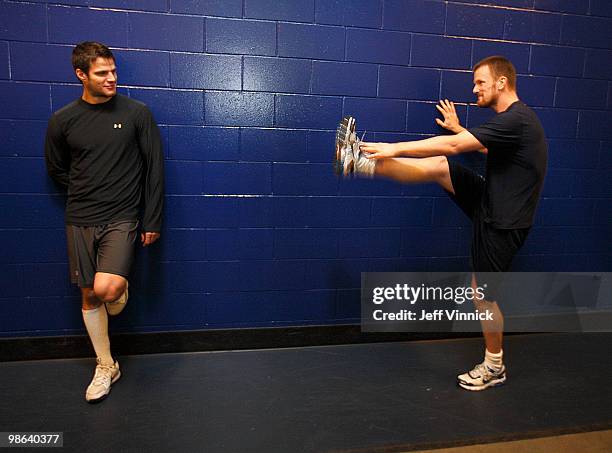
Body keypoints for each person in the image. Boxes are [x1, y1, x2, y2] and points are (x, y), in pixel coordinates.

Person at [336, 56, 548, 391]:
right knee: (439, 165)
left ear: (502, 83)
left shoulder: (517, 119)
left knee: (483, 297)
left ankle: (495, 366)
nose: (474, 88)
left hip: (503, 222)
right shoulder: (513, 122)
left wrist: (393, 148)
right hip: (489, 199)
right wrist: (462, 131)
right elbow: (491, 152)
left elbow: (454, 146)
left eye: (480, 82)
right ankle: (356, 162)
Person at [45, 41, 164, 402]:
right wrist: (86, 191)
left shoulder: (136, 113)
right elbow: (56, 168)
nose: (111, 78)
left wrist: (151, 218)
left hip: (123, 216)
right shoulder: (63, 120)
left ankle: (119, 286)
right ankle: (106, 365)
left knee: (107, 289)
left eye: (113, 71)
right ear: (81, 74)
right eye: (102, 73)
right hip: (80, 217)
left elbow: (154, 168)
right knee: (87, 294)